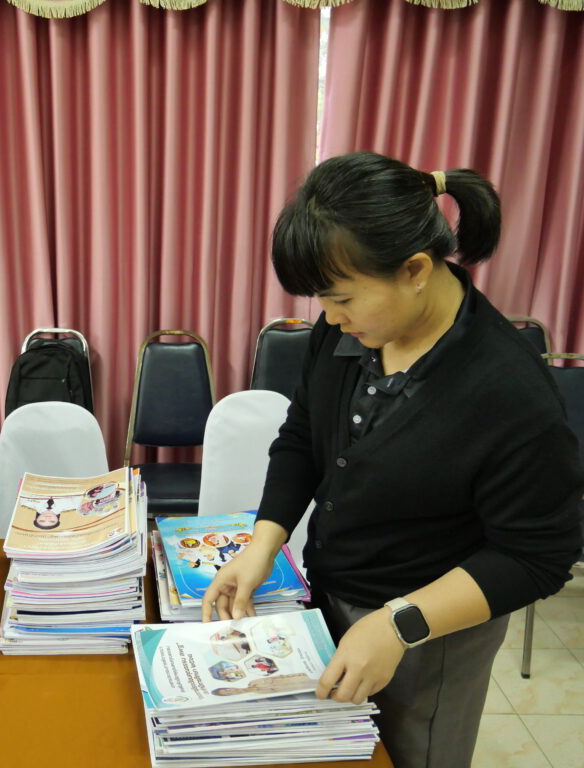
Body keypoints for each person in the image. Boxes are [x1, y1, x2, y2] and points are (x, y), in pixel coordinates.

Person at [201, 152, 584, 768]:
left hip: (430, 633)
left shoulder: (507, 390)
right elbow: (303, 434)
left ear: (415, 270)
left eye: (341, 298)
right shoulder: (349, 331)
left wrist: (400, 623)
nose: (329, 317)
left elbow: (537, 556)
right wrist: (263, 544)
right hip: (333, 593)